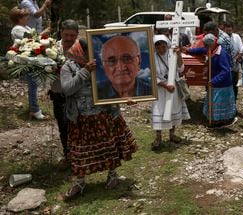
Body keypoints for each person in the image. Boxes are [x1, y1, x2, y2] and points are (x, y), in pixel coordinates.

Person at [60, 39, 137, 200]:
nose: (90, 56)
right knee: (80, 151)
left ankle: (112, 174)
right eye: (86, 53)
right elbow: (67, 90)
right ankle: (80, 182)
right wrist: (86, 71)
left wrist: (126, 97)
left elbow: (114, 85)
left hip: (104, 114)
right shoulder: (68, 67)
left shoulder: (102, 65)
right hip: (81, 117)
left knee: (109, 146)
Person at [9, 6, 50, 120]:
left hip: (31, 59)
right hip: (26, 59)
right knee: (32, 85)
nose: (27, 17)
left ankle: (34, 108)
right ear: (19, 18)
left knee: (34, 84)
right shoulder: (17, 29)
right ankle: (35, 110)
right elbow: (30, 39)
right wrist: (43, 33)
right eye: (25, 16)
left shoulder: (24, 26)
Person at [188, 33, 236, 127]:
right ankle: (214, 120)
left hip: (222, 84)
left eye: (207, 46)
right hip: (214, 82)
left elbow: (225, 71)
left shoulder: (221, 53)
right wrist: (189, 50)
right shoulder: (212, 49)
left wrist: (214, 81)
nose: (206, 47)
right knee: (213, 103)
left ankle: (221, 121)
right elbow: (202, 50)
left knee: (218, 103)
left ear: (212, 44)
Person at [151, 35, 190, 150]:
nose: (161, 49)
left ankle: (172, 134)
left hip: (173, 88)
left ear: (166, 45)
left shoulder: (172, 54)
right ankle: (158, 137)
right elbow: (152, 76)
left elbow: (181, 69)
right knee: (159, 111)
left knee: (172, 109)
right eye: (158, 47)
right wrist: (164, 85)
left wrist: (178, 55)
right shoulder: (152, 58)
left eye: (163, 46)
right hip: (160, 90)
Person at [49, 19, 80, 164]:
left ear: (77, 35)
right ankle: (68, 156)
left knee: (80, 125)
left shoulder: (83, 48)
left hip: (79, 96)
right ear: (61, 32)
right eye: (66, 34)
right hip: (58, 94)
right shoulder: (50, 49)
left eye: (72, 35)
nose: (68, 38)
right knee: (63, 126)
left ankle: (81, 155)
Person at [223, 22, 243, 102]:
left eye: (230, 28)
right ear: (224, 29)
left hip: (235, 65)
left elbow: (241, 48)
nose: (229, 30)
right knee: (227, 85)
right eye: (227, 29)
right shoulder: (221, 38)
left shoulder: (236, 37)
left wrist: (239, 56)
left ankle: (233, 101)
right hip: (225, 66)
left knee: (234, 85)